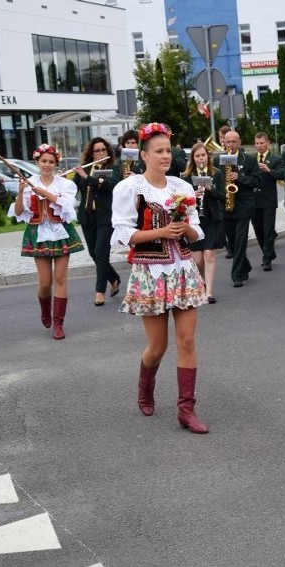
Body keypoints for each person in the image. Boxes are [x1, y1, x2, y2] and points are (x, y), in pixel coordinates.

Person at [111, 122, 209, 434]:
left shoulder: (181, 187)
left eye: (168, 150)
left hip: (182, 270)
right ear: (144, 155)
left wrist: (185, 230)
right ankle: (145, 387)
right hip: (150, 273)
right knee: (158, 346)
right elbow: (123, 234)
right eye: (159, 151)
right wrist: (162, 232)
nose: (166, 155)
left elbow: (196, 230)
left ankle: (186, 409)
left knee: (188, 340)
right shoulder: (130, 188)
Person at [8, 143, 84, 339]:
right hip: (38, 233)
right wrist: (20, 192)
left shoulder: (64, 184)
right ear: (37, 162)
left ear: (56, 164)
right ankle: (44, 310)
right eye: (44, 161)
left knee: (60, 279)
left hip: (61, 233)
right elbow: (18, 212)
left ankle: (58, 323)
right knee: (44, 282)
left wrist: (46, 194)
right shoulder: (28, 182)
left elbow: (68, 207)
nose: (47, 165)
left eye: (51, 161)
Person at [73, 137, 121, 307]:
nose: (101, 153)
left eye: (103, 150)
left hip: (105, 217)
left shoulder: (113, 168)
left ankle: (100, 292)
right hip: (87, 216)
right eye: (97, 151)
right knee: (94, 254)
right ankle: (114, 278)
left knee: (101, 252)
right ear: (91, 154)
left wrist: (88, 177)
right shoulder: (85, 169)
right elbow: (74, 189)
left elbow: (110, 185)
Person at [181, 142, 225, 304]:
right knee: (197, 259)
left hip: (212, 219)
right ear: (193, 158)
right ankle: (203, 280)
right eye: (198, 156)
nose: (201, 159)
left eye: (203, 155)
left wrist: (210, 188)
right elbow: (180, 199)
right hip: (195, 220)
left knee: (209, 254)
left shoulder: (217, 173)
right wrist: (192, 194)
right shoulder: (186, 176)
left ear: (208, 156)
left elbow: (223, 196)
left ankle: (209, 292)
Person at [221, 130, 258, 286]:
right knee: (233, 242)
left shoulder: (249, 159)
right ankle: (246, 266)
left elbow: (256, 180)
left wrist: (240, 178)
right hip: (227, 205)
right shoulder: (219, 160)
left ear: (239, 142)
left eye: (234, 141)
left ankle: (236, 275)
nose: (231, 144)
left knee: (241, 240)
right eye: (228, 142)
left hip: (244, 205)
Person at [251, 132, 282, 272]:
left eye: (262, 143)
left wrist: (269, 170)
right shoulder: (251, 160)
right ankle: (267, 251)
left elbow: (282, 174)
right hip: (254, 200)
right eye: (257, 143)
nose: (259, 146)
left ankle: (267, 258)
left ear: (267, 143)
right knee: (258, 230)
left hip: (269, 199)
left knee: (268, 230)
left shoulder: (275, 158)